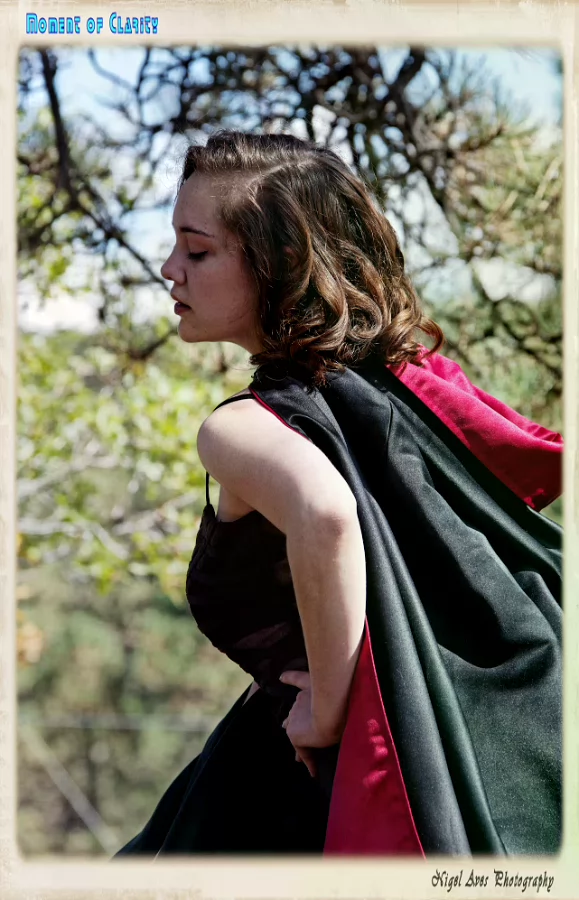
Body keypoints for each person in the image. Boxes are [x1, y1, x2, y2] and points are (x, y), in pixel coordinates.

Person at [115, 130, 562, 858]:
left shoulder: (242, 428)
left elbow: (325, 514)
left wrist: (327, 705)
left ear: (280, 263)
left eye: (197, 251)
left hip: (325, 780)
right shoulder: (405, 393)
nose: (170, 269)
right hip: (502, 738)